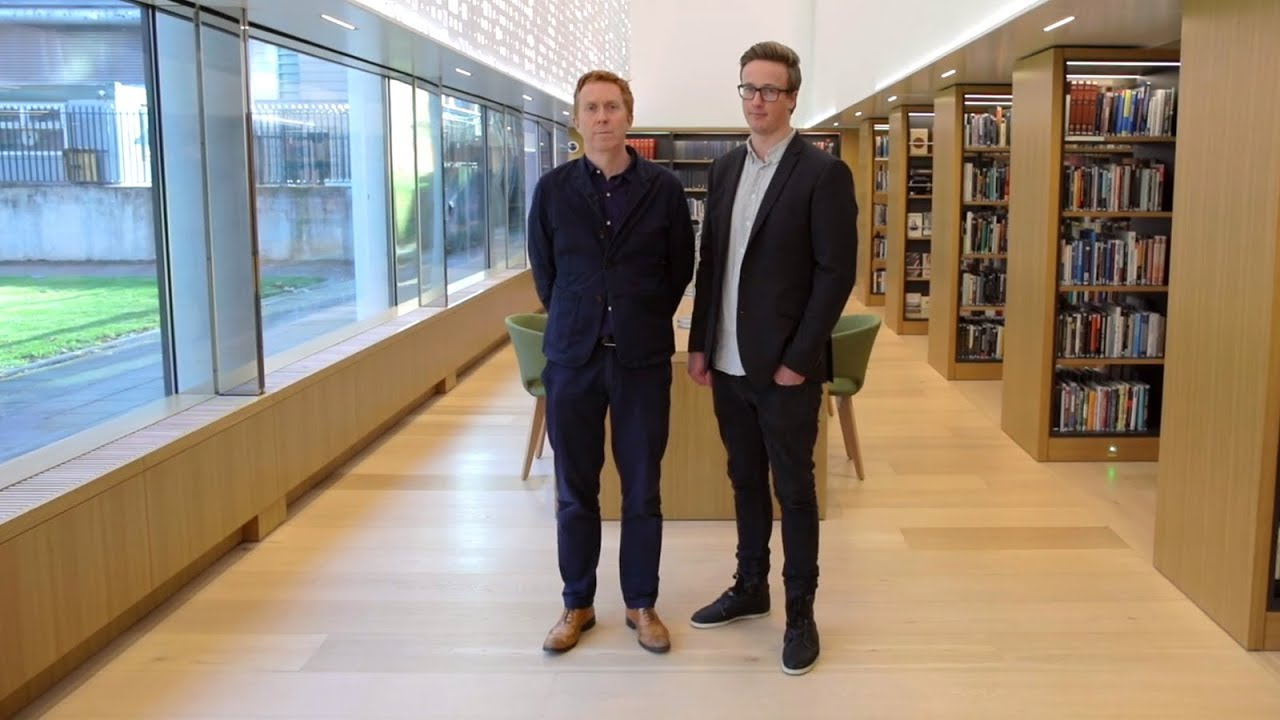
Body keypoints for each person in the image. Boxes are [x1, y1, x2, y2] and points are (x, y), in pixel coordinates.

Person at [686, 41, 858, 675]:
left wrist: (799, 359)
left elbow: (835, 274)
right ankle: (750, 586)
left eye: (769, 91)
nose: (757, 101)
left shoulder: (822, 173)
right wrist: (700, 341)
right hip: (727, 361)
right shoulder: (725, 168)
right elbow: (713, 265)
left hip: (785, 368)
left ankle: (801, 613)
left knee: (796, 490)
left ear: (792, 98)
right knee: (742, 479)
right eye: (748, 89)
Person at [527, 70, 696, 655]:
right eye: (591, 108)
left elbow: (679, 269)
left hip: (641, 360)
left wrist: (639, 315)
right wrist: (579, 316)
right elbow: (545, 272)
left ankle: (641, 604)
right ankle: (576, 603)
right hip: (572, 361)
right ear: (577, 119)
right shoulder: (551, 190)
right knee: (575, 489)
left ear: (629, 115)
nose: (602, 117)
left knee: (643, 487)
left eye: (612, 107)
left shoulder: (665, 190)